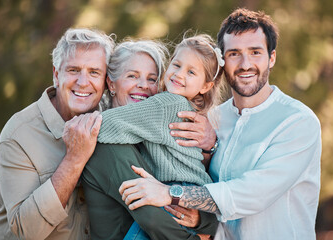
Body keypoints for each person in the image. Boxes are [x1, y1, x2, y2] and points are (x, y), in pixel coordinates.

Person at [119, 8, 322, 240]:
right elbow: (197, 176)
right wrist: (198, 215)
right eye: (235, 54)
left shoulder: (297, 122)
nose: (246, 64)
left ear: (272, 57)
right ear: (222, 62)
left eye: (255, 52)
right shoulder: (210, 118)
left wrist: (169, 193)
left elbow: (250, 194)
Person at [82, 35, 223, 240]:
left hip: (183, 189)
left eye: (151, 78)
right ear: (111, 84)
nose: (144, 86)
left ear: (205, 86)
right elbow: (152, 218)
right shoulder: (110, 145)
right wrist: (79, 130)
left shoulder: (166, 105)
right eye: (132, 76)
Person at [0, 28, 115, 239]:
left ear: (106, 81)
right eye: (74, 70)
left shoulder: (112, 122)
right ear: (56, 75)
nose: (83, 82)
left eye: (94, 72)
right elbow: (27, 231)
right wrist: (75, 159)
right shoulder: (19, 134)